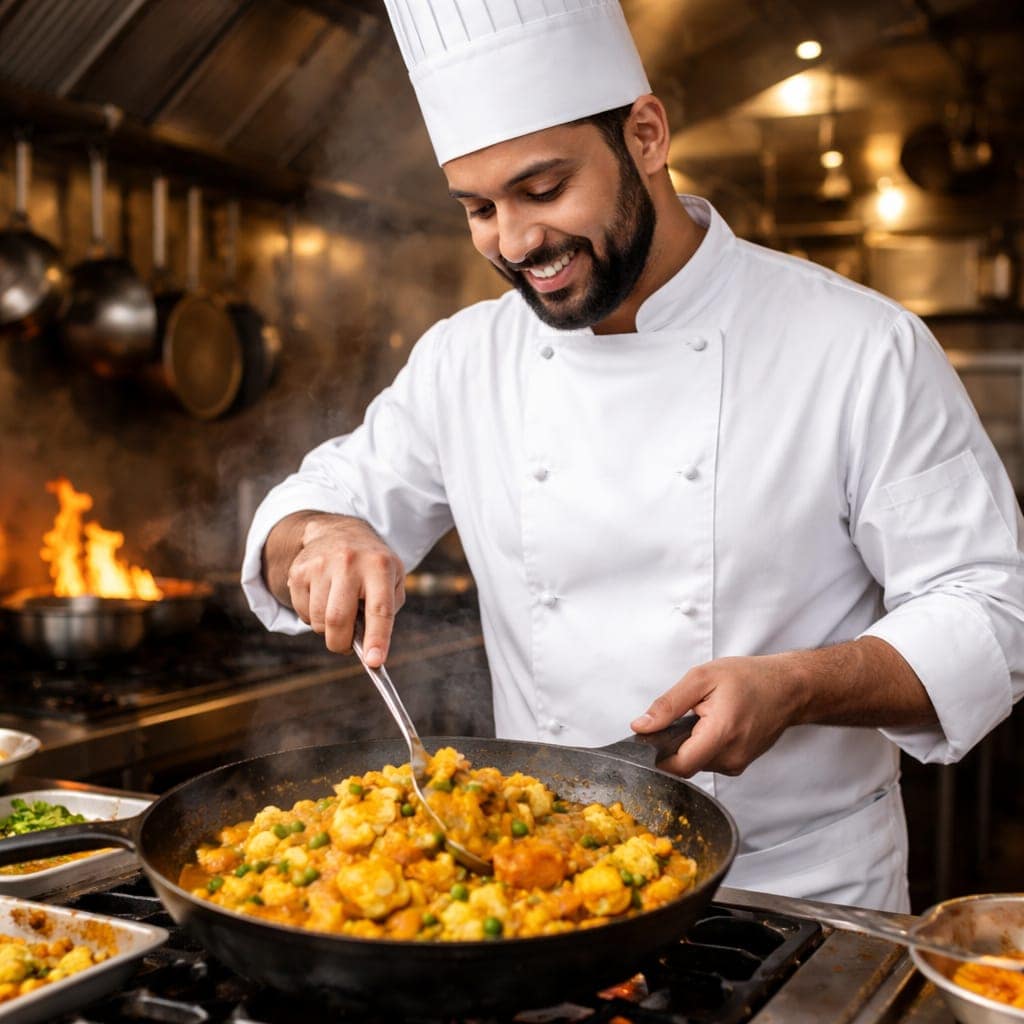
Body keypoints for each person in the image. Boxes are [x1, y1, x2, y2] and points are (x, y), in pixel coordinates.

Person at [242, 0, 1024, 911]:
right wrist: (321, 533)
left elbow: (992, 612)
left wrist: (797, 685)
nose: (517, 242)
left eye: (543, 190)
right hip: (542, 892)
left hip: (797, 893)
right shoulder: (465, 358)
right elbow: (313, 504)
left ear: (645, 135)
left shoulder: (859, 344)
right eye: (479, 209)